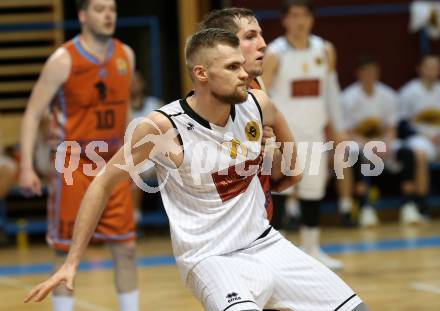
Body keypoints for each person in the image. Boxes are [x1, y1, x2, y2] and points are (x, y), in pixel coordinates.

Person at [25, 28, 368, 311]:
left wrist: (277, 153)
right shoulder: (162, 129)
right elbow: (102, 183)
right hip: (210, 258)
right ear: (202, 74)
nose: (245, 74)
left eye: (242, 65)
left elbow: (289, 174)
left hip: (265, 243)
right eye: (233, 67)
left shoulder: (258, 106)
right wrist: (71, 261)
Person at [19, 0, 138, 310]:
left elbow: (124, 113)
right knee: (65, 250)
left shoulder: (126, 54)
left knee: (126, 247)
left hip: (113, 162)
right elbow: (33, 113)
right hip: (74, 164)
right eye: (100, 9)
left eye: (112, 8)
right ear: (83, 16)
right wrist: (27, 167)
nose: (109, 14)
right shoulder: (62, 60)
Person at [262, 0, 346, 269]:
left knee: (313, 190)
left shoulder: (325, 49)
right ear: (285, 20)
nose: (299, 20)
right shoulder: (275, 53)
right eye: (294, 15)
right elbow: (262, 94)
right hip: (285, 134)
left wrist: (339, 128)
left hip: (314, 132)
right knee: (282, 192)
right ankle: (277, 251)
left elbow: (331, 91)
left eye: (304, 15)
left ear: (312, 19)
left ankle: (311, 248)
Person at [342, 56, 427, 226]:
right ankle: (365, 207)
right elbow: (346, 131)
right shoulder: (347, 97)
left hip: (383, 141)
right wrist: (368, 144)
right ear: (358, 74)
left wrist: (385, 143)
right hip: (359, 142)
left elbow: (392, 127)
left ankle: (409, 205)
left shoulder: (388, 95)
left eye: (373, 72)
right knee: (353, 152)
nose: (370, 76)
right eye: (366, 72)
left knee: (407, 151)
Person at [398, 54, 440, 218]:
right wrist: (424, 135)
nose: (432, 71)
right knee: (419, 154)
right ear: (419, 69)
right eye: (428, 67)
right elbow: (401, 124)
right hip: (420, 138)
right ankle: (422, 203)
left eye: (436, 67)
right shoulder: (409, 91)